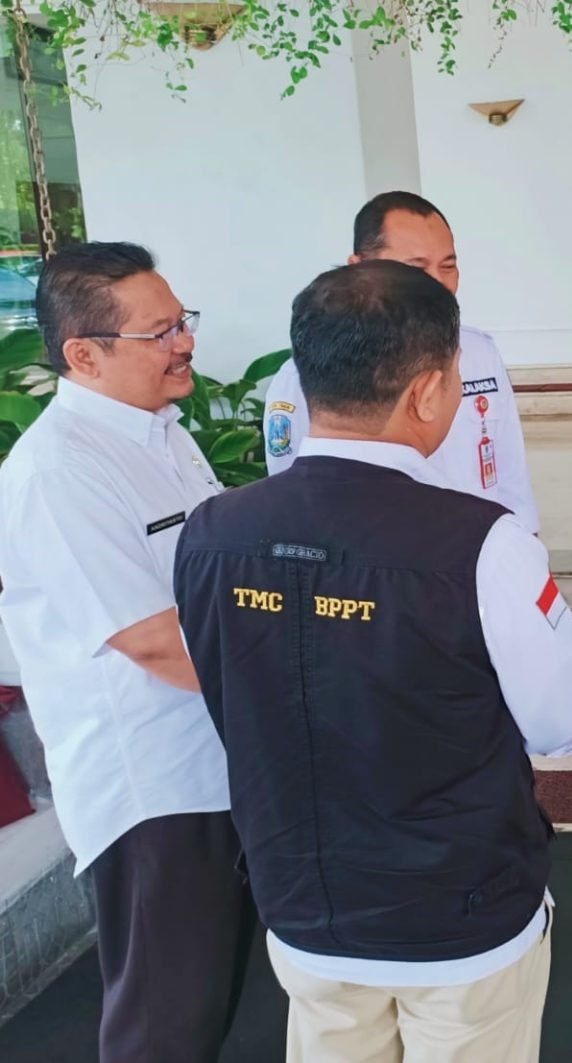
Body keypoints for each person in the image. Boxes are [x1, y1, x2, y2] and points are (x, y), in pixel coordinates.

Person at [175, 260, 572, 1062]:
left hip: (300, 903)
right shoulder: (483, 543)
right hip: (458, 915)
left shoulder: (212, 531)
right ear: (427, 391)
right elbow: (559, 722)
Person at [0, 242, 253, 1063]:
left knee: (208, 1003)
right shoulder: (56, 472)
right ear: (84, 354)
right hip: (153, 788)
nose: (186, 342)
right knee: (163, 1024)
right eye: (160, 332)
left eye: (183, 321)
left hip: (211, 762)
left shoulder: (163, 432)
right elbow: (150, 638)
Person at [264, 190, 540, 532]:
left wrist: (524, 542)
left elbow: (511, 478)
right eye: (416, 269)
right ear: (359, 268)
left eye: (448, 266)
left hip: (477, 550)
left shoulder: (479, 353)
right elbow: (298, 496)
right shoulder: (310, 373)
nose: (439, 285)